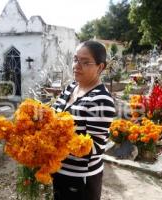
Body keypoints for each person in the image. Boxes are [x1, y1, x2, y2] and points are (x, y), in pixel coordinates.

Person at [52, 41, 116, 200]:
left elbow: (95, 148)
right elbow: (53, 116)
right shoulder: (71, 87)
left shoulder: (101, 100)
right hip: (58, 171)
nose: (76, 65)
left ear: (100, 67)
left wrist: (55, 140)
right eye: (75, 59)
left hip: (80, 179)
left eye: (85, 62)